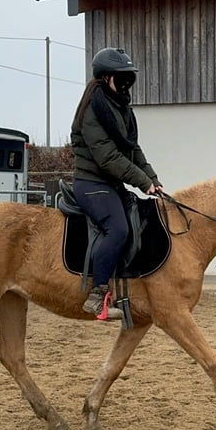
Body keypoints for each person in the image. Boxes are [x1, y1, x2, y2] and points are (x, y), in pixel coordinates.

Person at [70, 47, 164, 321]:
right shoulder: (93, 109)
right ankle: (97, 294)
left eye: (129, 78)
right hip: (91, 182)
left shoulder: (121, 108)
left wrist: (153, 181)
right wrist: (141, 181)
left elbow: (132, 149)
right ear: (106, 77)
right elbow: (107, 156)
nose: (126, 83)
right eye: (121, 78)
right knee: (119, 229)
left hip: (111, 184)